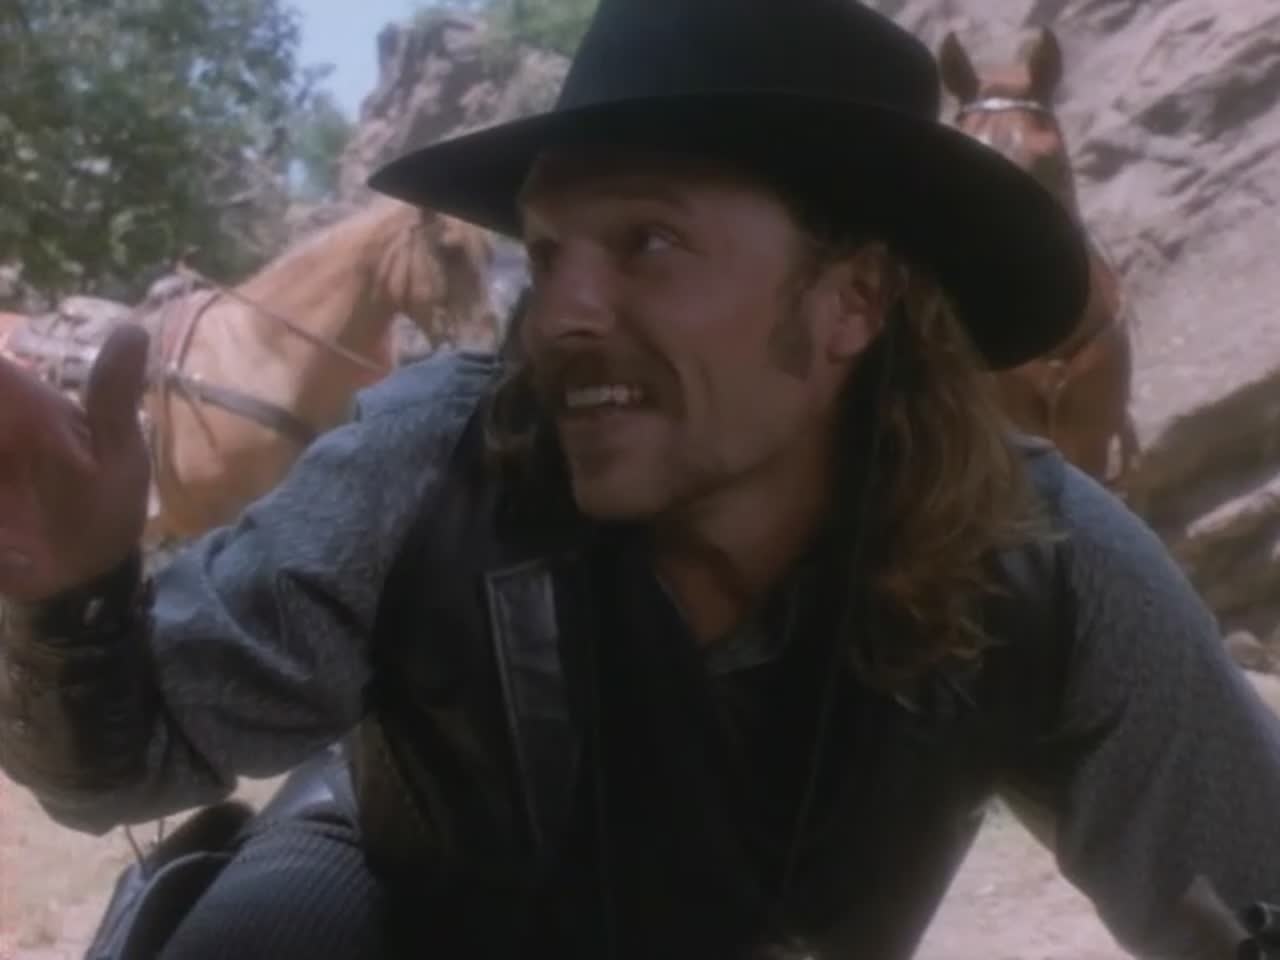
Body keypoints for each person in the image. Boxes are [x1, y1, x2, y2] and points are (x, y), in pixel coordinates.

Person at [2, 1, 1279, 957]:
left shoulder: (1041, 564)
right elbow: (124, 762)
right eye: (549, 249)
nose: (561, 309)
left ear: (852, 300)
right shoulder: (434, 456)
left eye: (648, 241)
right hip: (393, 878)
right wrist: (68, 605)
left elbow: (1251, 894)